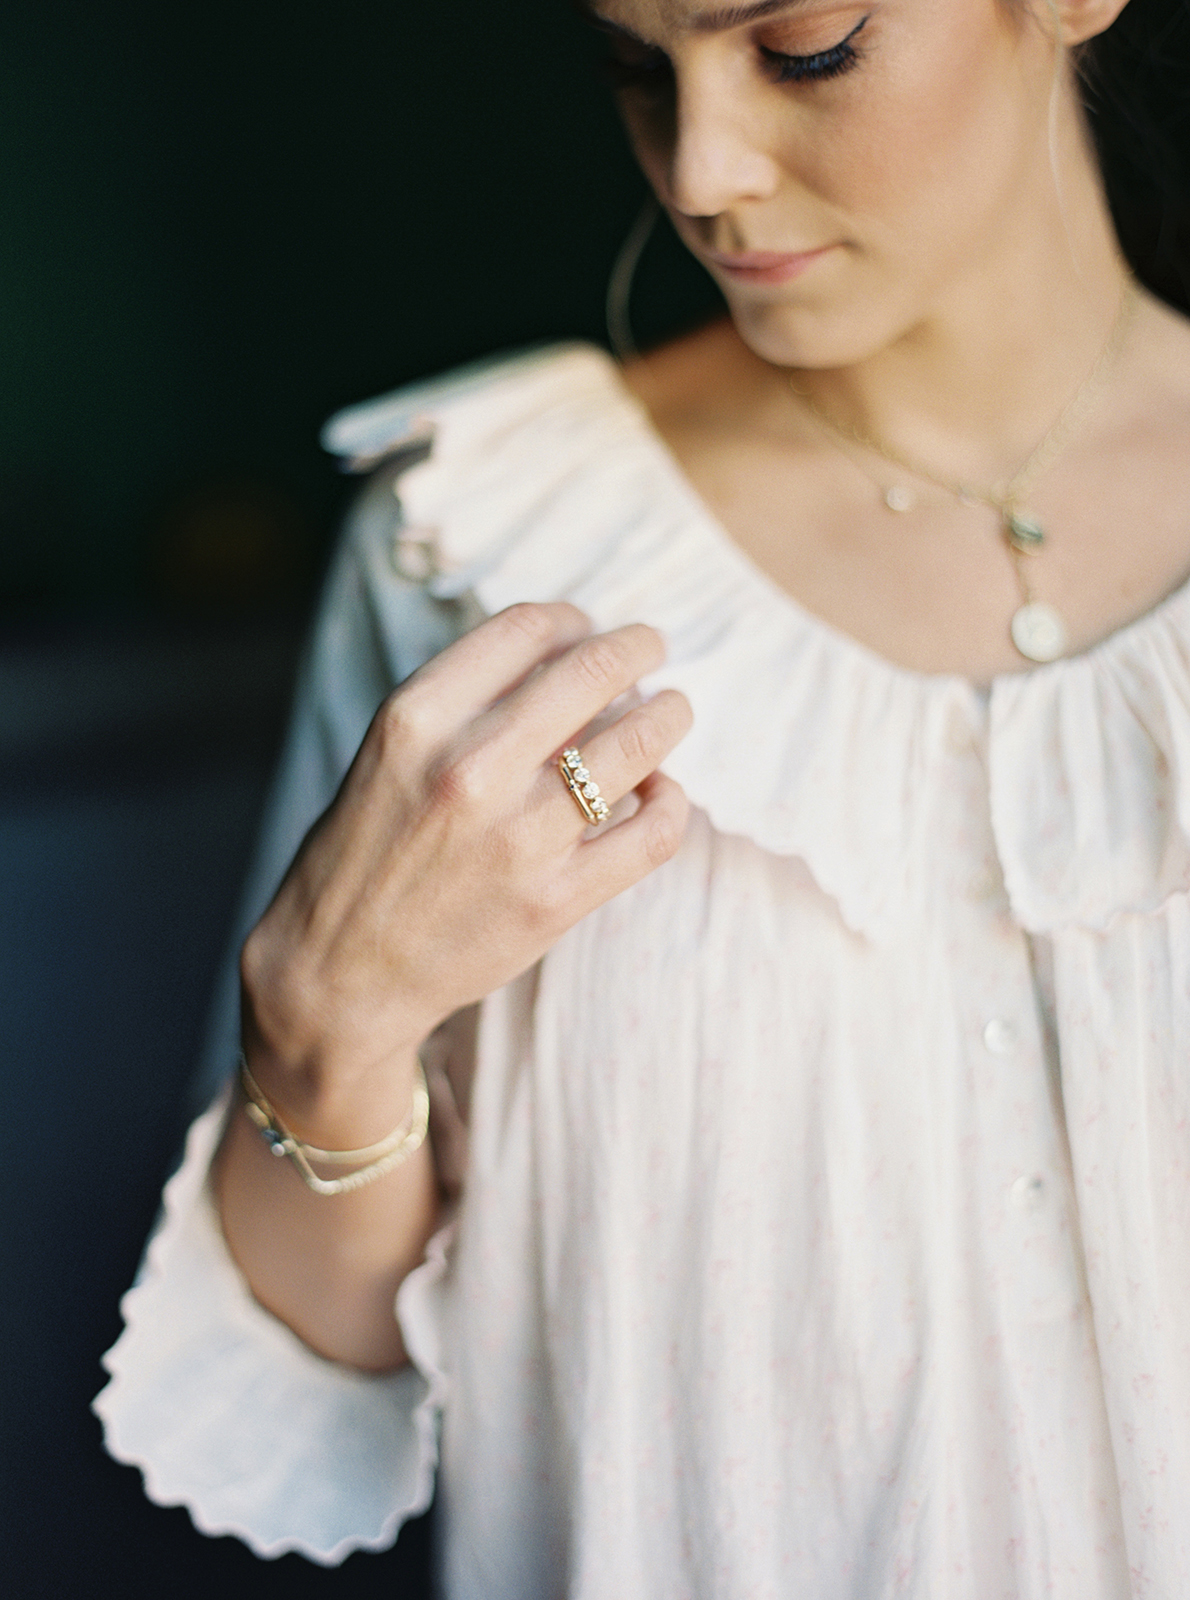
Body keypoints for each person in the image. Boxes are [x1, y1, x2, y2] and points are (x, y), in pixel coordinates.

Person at [95, 0, 1190, 1592]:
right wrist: (325, 1031)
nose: (700, 170)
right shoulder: (474, 552)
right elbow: (315, 1382)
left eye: (803, 46)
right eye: (633, 65)